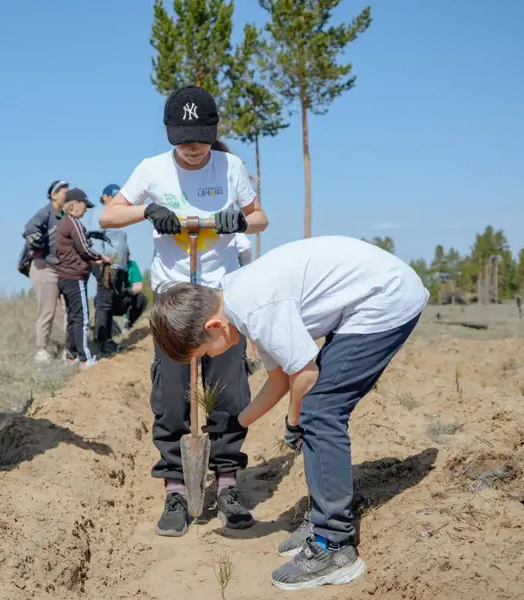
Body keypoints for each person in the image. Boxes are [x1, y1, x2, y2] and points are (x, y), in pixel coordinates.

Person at [148, 235, 430, 591]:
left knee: (321, 411)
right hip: (369, 297)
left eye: (204, 351)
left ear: (214, 328)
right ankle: (323, 519)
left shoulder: (255, 308)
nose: (211, 358)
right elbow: (281, 378)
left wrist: (294, 421)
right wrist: (239, 421)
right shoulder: (237, 300)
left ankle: (334, 545)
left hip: (386, 299)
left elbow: (305, 375)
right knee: (313, 408)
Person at [99, 85, 269, 536]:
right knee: (171, 394)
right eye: (183, 139)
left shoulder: (230, 166)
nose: (193, 149)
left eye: (201, 138)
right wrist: (146, 211)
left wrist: (237, 220)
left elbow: (260, 218)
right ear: (170, 134)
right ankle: (175, 489)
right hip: (174, 302)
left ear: (213, 133)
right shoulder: (152, 169)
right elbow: (107, 218)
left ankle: (228, 483)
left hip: (222, 298)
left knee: (229, 391)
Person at [55, 188, 112, 368]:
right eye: (85, 205)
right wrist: (101, 258)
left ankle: (71, 355)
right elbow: (84, 249)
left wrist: (90, 260)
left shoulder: (63, 223)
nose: (86, 209)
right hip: (74, 277)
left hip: (64, 276)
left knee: (73, 317)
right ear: (75, 204)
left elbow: (72, 252)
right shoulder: (74, 223)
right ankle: (86, 358)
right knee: (82, 317)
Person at [24, 180, 70, 363]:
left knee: (72, 309)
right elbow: (30, 228)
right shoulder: (45, 213)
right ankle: (41, 350)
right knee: (47, 310)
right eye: (65, 193)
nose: (68, 197)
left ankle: (70, 347)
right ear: (54, 195)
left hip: (64, 268)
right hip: (45, 267)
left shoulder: (66, 216)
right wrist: (36, 241)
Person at [91, 184, 130, 356]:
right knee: (104, 304)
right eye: (114, 195)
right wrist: (101, 257)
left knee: (110, 304)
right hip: (107, 266)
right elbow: (92, 235)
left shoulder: (116, 215)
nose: (116, 198)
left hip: (118, 266)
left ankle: (108, 339)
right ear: (105, 196)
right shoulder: (100, 211)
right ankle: (101, 342)